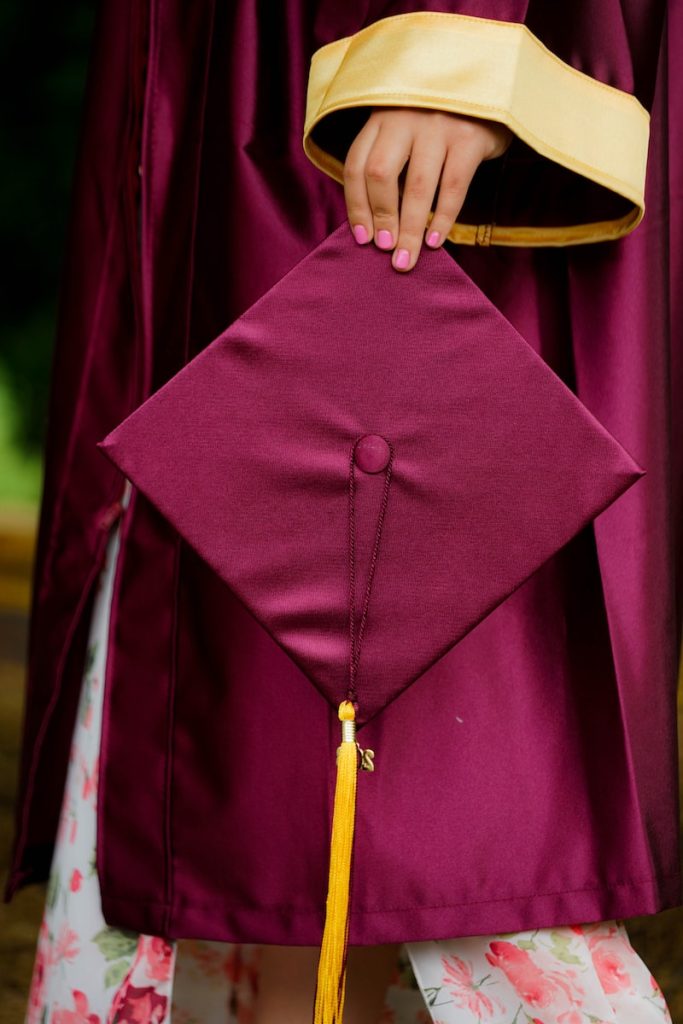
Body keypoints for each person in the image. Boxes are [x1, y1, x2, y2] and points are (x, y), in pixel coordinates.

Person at [7, 2, 682, 1022]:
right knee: (259, 766)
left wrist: (455, 45)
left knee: (451, 771)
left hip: (374, 66)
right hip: (228, 85)